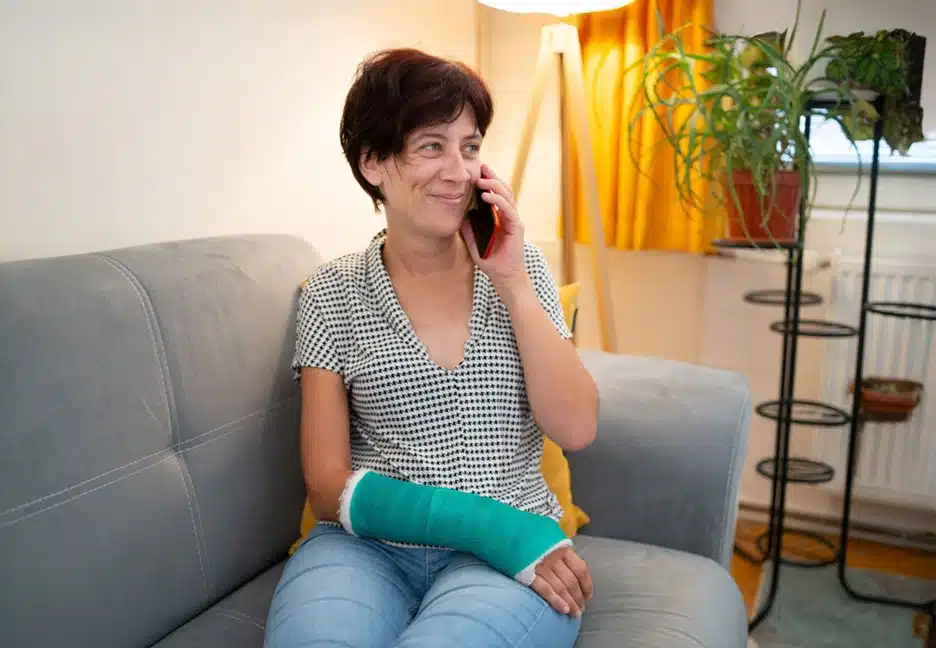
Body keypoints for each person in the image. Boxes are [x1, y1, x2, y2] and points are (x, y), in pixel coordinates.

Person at [263, 47, 600, 648]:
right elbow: (325, 481)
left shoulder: (521, 273)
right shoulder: (332, 292)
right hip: (365, 553)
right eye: (430, 146)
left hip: (512, 558)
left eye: (469, 147)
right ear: (373, 163)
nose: (458, 170)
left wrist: (514, 280)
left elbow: (576, 427)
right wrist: (486, 525)